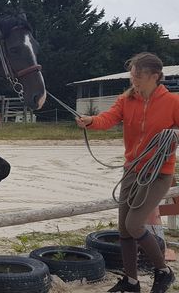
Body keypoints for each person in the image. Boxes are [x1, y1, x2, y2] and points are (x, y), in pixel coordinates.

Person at [76, 52, 178, 293]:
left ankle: (163, 271)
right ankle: (131, 282)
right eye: (132, 76)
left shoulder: (173, 102)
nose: (134, 81)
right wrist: (91, 120)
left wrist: (174, 134)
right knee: (124, 228)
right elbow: (108, 119)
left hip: (158, 173)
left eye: (138, 76)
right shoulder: (126, 100)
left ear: (155, 76)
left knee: (134, 224)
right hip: (132, 170)